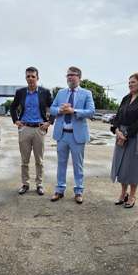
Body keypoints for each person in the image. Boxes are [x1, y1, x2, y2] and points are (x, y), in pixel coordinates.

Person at [49, 66, 95, 204]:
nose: (70, 77)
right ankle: (59, 190)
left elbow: (91, 111)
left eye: (73, 75)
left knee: (78, 165)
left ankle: (79, 191)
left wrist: (73, 111)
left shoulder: (87, 93)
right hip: (62, 134)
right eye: (68, 75)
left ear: (79, 77)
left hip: (77, 136)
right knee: (61, 163)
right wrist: (60, 110)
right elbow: (52, 109)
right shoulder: (61, 93)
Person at [10, 66, 53, 195]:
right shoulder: (21, 92)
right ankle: (25, 184)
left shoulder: (45, 92)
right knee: (24, 160)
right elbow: (13, 107)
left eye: (33, 76)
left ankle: (39, 184)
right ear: (25, 78)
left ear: (37, 78)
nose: (30, 79)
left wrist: (49, 122)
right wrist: (16, 120)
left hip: (39, 130)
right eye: (28, 76)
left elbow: (53, 108)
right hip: (25, 129)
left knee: (39, 160)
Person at [110, 73, 138, 208]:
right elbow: (118, 116)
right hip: (120, 133)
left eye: (133, 82)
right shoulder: (126, 98)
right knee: (121, 165)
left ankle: (132, 195)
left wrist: (126, 135)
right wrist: (116, 131)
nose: (130, 84)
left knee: (133, 167)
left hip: (134, 135)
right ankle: (123, 193)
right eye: (129, 82)